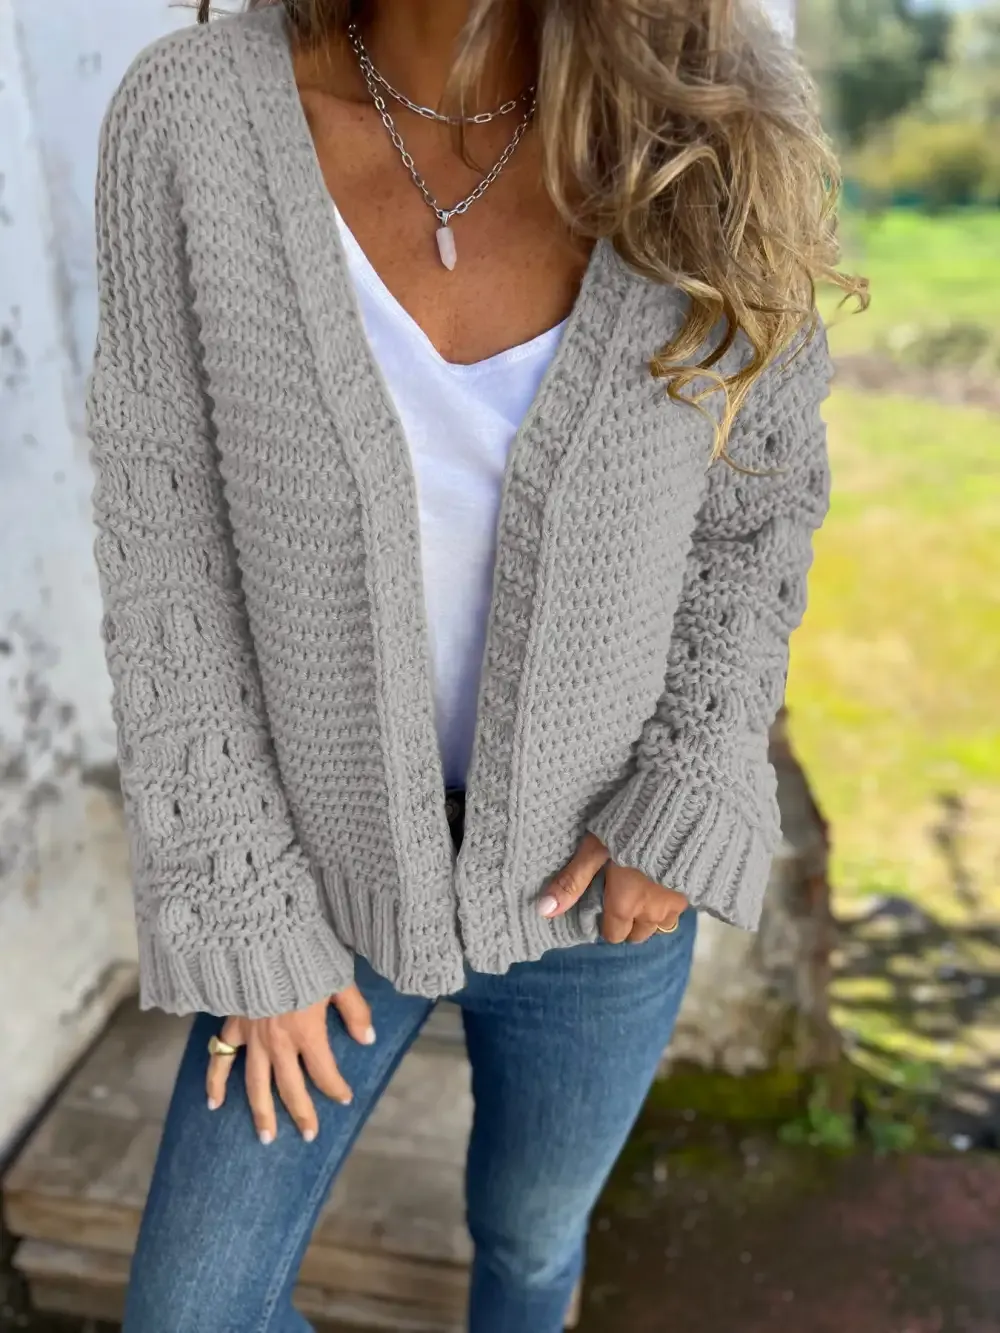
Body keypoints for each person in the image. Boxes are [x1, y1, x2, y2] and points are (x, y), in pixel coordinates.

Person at [86, 1, 863, 1328]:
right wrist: (242, 907)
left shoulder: (714, 113)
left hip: (600, 875)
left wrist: (687, 784)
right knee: (191, 1313)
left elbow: (757, 508)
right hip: (315, 873)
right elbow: (167, 553)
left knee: (529, 1241)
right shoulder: (192, 118)